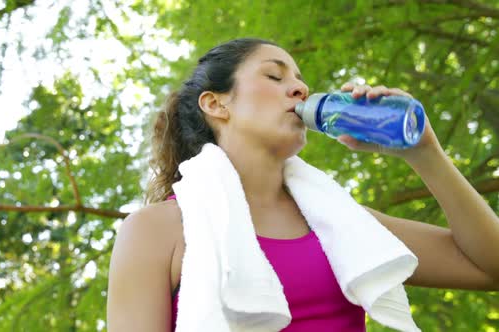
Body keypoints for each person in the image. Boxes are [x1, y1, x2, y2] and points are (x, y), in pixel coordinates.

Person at [106, 38, 499, 331]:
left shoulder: (342, 223)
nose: (299, 89)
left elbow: (490, 269)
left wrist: (424, 153)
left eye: (299, 81)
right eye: (275, 76)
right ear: (216, 104)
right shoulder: (155, 231)